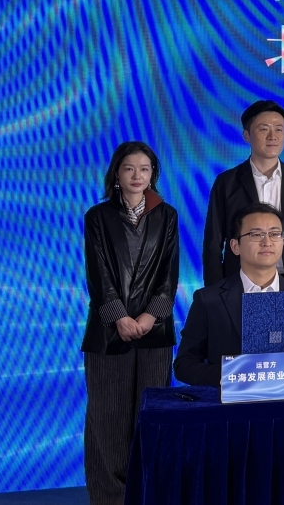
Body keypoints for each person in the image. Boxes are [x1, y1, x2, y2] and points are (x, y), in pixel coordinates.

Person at [82, 142, 180, 505]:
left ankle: (148, 495)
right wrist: (119, 317)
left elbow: (169, 274)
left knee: (151, 418)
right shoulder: (98, 216)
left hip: (155, 332)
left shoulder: (167, 215)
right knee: (106, 421)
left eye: (144, 168)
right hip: (109, 332)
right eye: (129, 168)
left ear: (153, 174)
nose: (137, 175)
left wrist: (151, 315)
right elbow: (98, 274)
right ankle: (109, 499)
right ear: (116, 174)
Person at [175, 203, 284, 386]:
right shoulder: (209, 300)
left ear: (283, 242)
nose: (267, 242)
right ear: (235, 246)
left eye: (275, 234)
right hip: (230, 401)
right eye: (256, 235)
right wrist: (232, 374)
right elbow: (184, 365)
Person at [201, 100, 284, 310]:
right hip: (240, 287)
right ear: (247, 135)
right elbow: (213, 245)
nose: (272, 136)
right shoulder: (227, 182)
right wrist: (215, 297)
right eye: (264, 129)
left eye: (279, 129)